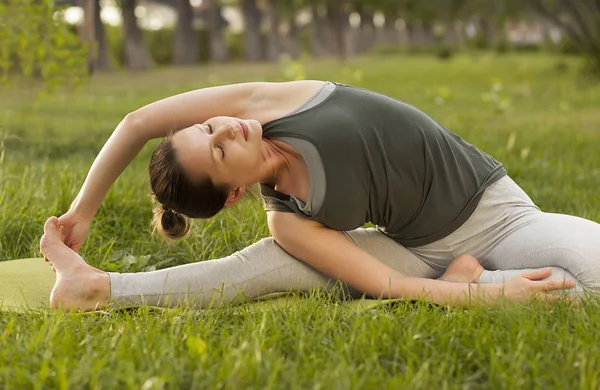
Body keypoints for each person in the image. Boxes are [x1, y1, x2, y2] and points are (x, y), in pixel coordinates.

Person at [41, 80, 600, 311]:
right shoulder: (289, 220)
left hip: (501, 217)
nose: (224, 130)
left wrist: (81, 212)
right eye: (216, 151)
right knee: (265, 263)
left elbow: (138, 121)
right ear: (235, 192)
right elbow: (388, 284)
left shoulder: (271, 100)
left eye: (207, 127)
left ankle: (469, 276)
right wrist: (478, 296)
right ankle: (98, 287)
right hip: (414, 252)